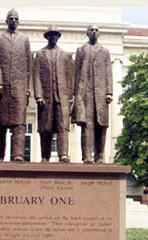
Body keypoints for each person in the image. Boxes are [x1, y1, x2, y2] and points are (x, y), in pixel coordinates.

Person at [0, 9, 31, 162]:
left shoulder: (24, 39)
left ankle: (18, 154)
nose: (13, 20)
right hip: (3, 87)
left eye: (16, 18)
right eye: (10, 18)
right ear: (6, 21)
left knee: (19, 123)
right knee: (0, 123)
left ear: (19, 21)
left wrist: (28, 88)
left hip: (19, 87)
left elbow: (29, 65)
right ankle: (0, 155)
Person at [71, 25, 113, 164]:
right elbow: (76, 73)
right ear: (87, 33)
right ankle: (87, 156)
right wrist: (75, 94)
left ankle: (100, 156)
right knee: (87, 125)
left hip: (101, 94)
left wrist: (109, 91)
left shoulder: (104, 51)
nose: (94, 32)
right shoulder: (81, 50)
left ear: (99, 33)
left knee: (101, 125)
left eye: (96, 30)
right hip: (85, 94)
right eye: (91, 30)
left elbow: (108, 71)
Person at [34, 26, 73, 163]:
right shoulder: (40, 54)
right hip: (45, 97)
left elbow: (69, 77)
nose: (53, 37)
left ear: (58, 37)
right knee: (46, 127)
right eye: (51, 35)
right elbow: (37, 75)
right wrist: (38, 95)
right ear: (47, 37)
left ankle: (63, 154)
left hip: (62, 97)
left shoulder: (65, 55)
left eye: (55, 35)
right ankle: (45, 156)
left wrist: (70, 96)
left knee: (63, 126)